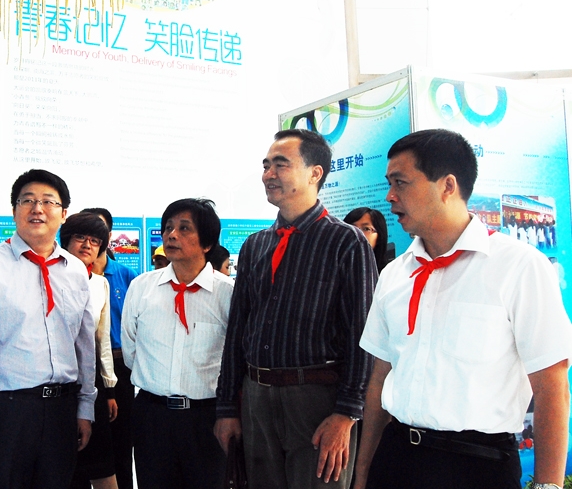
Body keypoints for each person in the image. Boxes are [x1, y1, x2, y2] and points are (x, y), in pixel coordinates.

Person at [353, 129, 572, 489]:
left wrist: (548, 485)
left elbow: (552, 386)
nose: (390, 196)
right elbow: (380, 377)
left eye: (401, 182)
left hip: (477, 466)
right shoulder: (394, 274)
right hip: (396, 457)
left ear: (448, 186)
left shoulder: (519, 266)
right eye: (389, 184)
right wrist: (362, 475)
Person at [214, 129, 378, 489]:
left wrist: (347, 413)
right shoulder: (256, 245)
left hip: (317, 400)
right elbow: (237, 331)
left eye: (280, 164)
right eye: (266, 165)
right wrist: (227, 407)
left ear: (315, 173)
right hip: (256, 396)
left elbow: (363, 335)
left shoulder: (346, 242)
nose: (268, 174)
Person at [0, 170, 97, 489]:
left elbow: (84, 346)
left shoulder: (75, 271)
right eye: (27, 200)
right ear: (14, 210)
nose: (37, 209)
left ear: (63, 214)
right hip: (4, 411)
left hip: (61, 411)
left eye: (48, 202)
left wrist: (85, 407)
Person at [122, 198, 233, 489]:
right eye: (168, 227)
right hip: (152, 415)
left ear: (207, 243)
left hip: (208, 418)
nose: (172, 235)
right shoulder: (142, 287)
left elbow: (238, 357)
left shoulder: (228, 293)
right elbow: (131, 349)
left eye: (184, 228)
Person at [81, 207, 139, 489]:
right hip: (84, 369)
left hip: (120, 367)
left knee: (120, 444)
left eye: (98, 234)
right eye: (84, 234)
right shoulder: (69, 276)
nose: (90, 242)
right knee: (85, 445)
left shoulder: (127, 276)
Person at [61, 213, 120, 489]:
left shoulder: (101, 283)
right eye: (80, 237)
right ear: (66, 240)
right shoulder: (49, 277)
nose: (87, 245)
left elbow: (102, 340)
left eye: (95, 241)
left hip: (90, 382)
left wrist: (109, 389)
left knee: (101, 464)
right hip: (55, 384)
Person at [343, 207, 389, 272]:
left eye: (366, 229)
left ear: (379, 237)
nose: (357, 233)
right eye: (352, 228)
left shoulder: (389, 272)